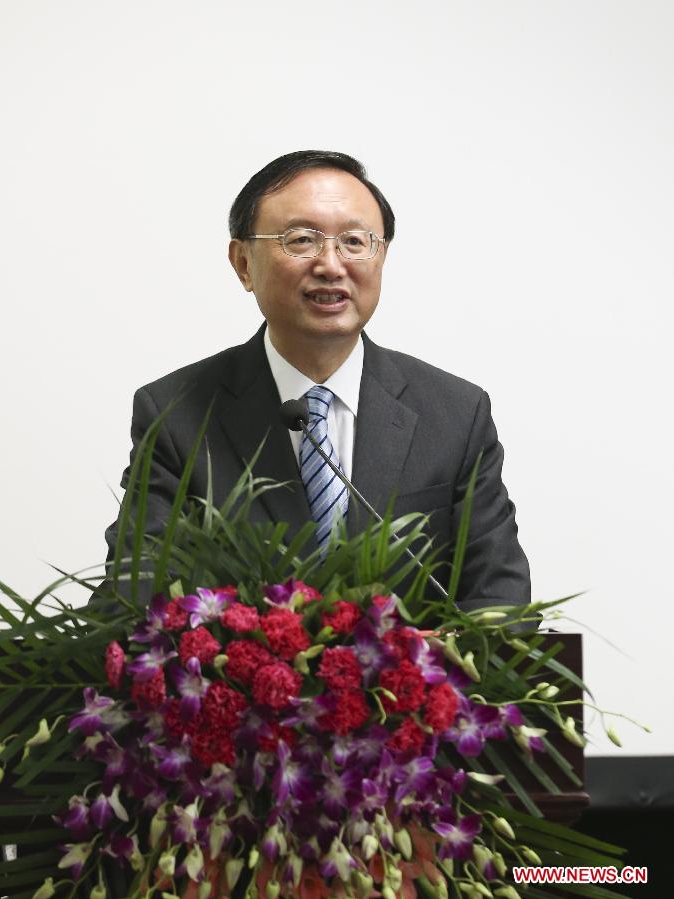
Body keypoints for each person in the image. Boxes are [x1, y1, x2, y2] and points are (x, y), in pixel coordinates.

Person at [104, 150, 530, 612]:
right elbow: (135, 596)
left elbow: (499, 601)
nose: (331, 264)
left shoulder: (455, 414)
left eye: (353, 241)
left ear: (382, 255)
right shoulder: (176, 414)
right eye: (301, 240)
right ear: (243, 262)